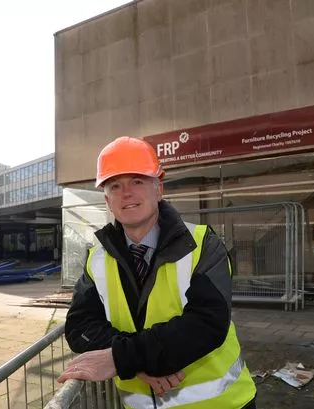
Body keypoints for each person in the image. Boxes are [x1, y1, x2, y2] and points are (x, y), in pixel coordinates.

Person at [57, 136, 257, 409]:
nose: (126, 192)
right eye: (115, 185)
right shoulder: (97, 259)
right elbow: (80, 329)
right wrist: (135, 361)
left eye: (137, 181)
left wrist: (119, 358)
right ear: (107, 200)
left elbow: (206, 324)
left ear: (158, 189)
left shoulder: (201, 244)